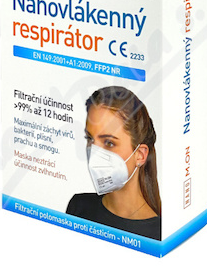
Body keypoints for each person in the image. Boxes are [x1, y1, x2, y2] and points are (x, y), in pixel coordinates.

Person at [66, 86, 161, 240]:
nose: (94, 154)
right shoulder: (79, 206)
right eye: (90, 139)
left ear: (140, 155)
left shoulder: (158, 232)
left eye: (109, 143)